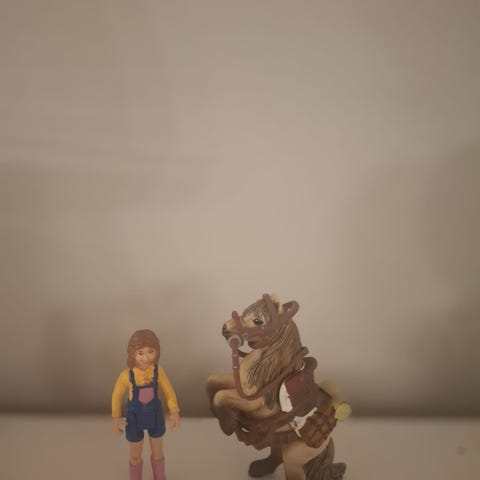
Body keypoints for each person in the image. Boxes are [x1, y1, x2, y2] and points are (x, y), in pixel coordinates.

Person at [112, 329, 180, 480]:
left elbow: (169, 391)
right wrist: (116, 417)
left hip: (155, 415)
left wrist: (174, 411)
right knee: (135, 455)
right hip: (134, 418)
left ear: (157, 351)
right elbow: (116, 395)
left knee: (157, 453)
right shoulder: (126, 375)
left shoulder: (158, 371)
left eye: (150, 352)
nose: (145, 357)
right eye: (140, 353)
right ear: (132, 353)